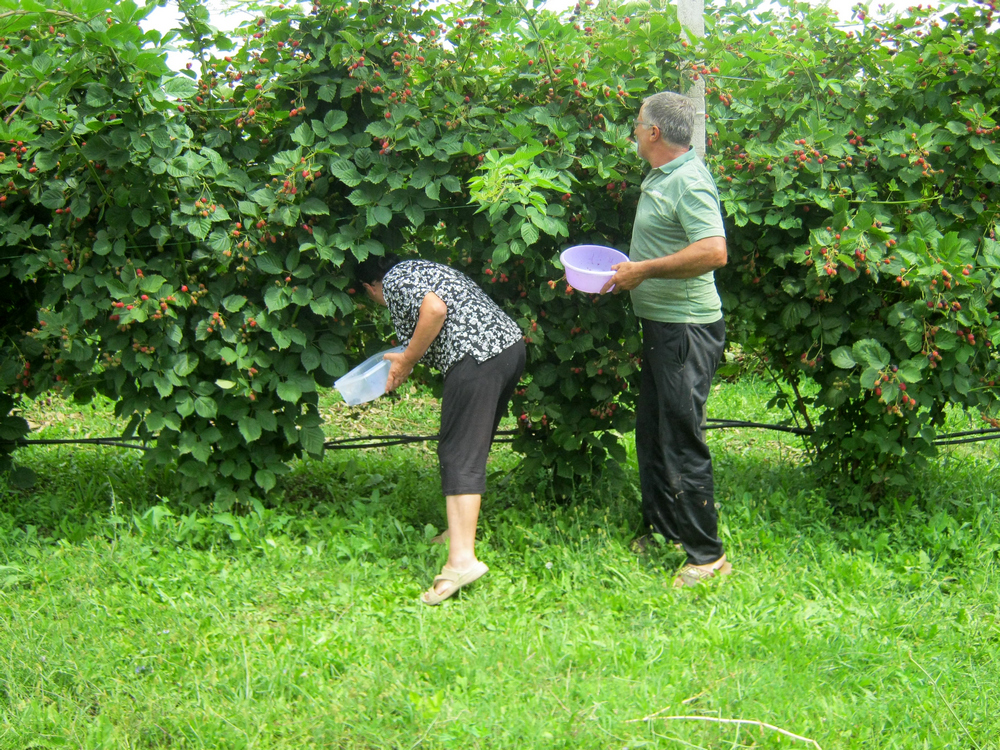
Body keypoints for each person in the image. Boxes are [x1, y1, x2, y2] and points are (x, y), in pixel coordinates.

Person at [600, 91, 731, 588]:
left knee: (680, 438)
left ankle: (707, 556)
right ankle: (664, 529)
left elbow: (714, 251)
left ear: (654, 132)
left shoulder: (691, 182)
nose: (633, 130)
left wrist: (644, 271)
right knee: (653, 430)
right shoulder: (662, 174)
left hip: (686, 328)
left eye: (637, 124)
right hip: (661, 325)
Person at [355, 253, 525, 605]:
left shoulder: (396, 279)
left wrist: (407, 359)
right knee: (471, 447)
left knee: (458, 453)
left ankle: (461, 561)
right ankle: (456, 532)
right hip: (509, 348)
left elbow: (434, 310)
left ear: (371, 287)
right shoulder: (421, 267)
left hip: (477, 356)